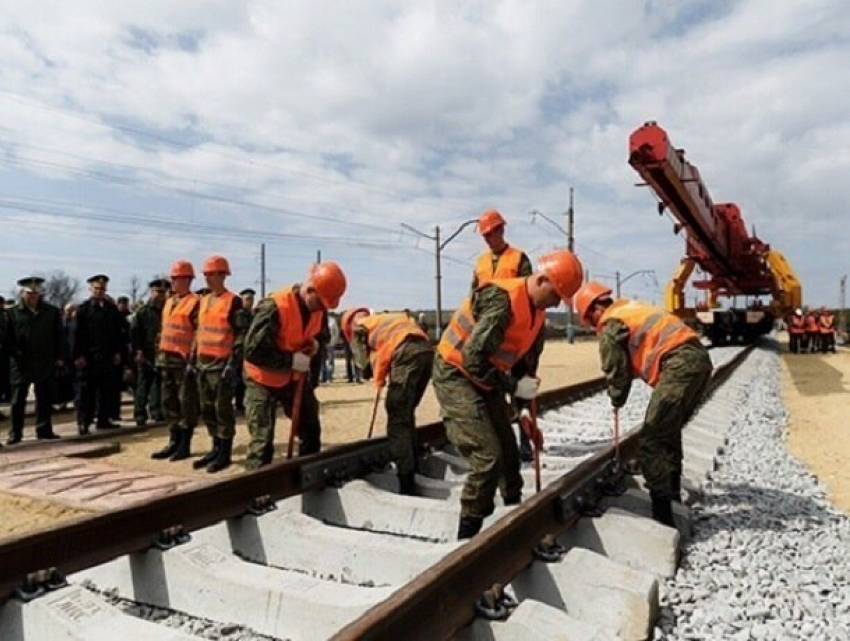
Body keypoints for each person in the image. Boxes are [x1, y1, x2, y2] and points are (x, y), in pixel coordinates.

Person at [432, 250, 584, 539]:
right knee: (487, 457)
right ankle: (467, 536)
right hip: (455, 372)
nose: (555, 304)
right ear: (541, 280)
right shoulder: (501, 301)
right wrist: (513, 388)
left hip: (486, 378)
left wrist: (524, 410)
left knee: (510, 456)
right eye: (555, 296)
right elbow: (474, 358)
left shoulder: (537, 315)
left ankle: (513, 517)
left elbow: (523, 367)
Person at [574, 281, 713, 527]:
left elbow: (615, 367)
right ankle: (672, 497)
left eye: (590, 320)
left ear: (595, 309)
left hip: (679, 364)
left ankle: (663, 517)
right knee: (667, 434)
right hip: (698, 360)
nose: (594, 326)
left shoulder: (611, 321)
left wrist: (616, 397)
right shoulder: (629, 308)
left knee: (652, 441)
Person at [243, 261, 347, 469]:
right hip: (262, 378)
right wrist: (291, 361)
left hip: (293, 378)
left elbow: (321, 336)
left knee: (310, 429)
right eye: (320, 303)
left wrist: (316, 346)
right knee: (262, 443)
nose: (322, 309)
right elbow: (253, 351)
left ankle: (307, 478)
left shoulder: (320, 306)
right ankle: (254, 493)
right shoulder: (273, 307)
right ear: (309, 290)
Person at [343, 308, 433, 495]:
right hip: (426, 351)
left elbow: (363, 365)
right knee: (406, 413)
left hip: (406, 351)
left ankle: (406, 481)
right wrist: (380, 377)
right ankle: (413, 463)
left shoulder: (361, 327)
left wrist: (367, 370)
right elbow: (385, 354)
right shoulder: (387, 320)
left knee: (398, 417)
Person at [471, 208, 537, 463]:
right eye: (485, 235)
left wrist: (532, 344)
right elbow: (474, 298)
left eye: (491, 232)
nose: (488, 238)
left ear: (501, 230)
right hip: (490, 338)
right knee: (493, 387)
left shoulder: (519, 259)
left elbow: (532, 297)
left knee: (521, 390)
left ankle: (525, 442)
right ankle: (502, 441)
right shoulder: (480, 264)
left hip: (517, 338)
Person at [193, 255, 249, 473]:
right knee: (207, 409)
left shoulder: (232, 301)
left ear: (223, 275)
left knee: (222, 409)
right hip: (204, 364)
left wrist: (232, 363)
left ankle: (224, 452)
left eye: (211, 274)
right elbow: (200, 331)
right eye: (206, 275)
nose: (207, 279)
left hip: (222, 365)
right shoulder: (204, 300)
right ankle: (215, 448)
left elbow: (240, 334)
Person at [151, 260, 201, 461]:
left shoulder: (195, 302)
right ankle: (173, 441)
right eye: (172, 278)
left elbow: (199, 332)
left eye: (177, 278)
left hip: (183, 361)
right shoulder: (170, 302)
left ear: (187, 280)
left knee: (186, 403)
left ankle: (184, 444)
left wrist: (193, 358)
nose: (173, 282)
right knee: (168, 402)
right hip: (165, 359)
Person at [5, 277, 65, 444]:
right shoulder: (12, 313)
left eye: (36, 294)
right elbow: (7, 338)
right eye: (29, 293)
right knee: (18, 400)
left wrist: (60, 356)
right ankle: (15, 433)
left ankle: (44, 430)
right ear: (22, 293)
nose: (33, 297)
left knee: (44, 398)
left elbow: (59, 336)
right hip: (21, 362)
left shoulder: (50, 312)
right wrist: (15, 353)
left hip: (44, 361)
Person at [74, 275, 126, 434]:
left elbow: (118, 333)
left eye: (102, 289)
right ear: (90, 289)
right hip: (89, 357)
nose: (100, 291)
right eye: (96, 288)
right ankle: (84, 421)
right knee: (86, 392)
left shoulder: (111, 310)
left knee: (106, 390)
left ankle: (103, 419)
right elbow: (76, 335)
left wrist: (118, 352)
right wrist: (78, 355)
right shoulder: (83, 310)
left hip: (107, 356)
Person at [132, 279, 168, 426]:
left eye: (163, 292)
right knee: (143, 384)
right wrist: (138, 351)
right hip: (146, 351)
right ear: (151, 292)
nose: (160, 295)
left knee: (158, 383)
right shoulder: (142, 312)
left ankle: (156, 410)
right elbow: (135, 333)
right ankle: (140, 413)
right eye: (158, 292)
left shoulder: (167, 310)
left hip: (161, 352)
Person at [233, 288, 257, 414]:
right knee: (238, 379)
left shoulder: (253, 314)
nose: (250, 302)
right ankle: (238, 404)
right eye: (248, 299)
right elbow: (244, 330)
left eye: (252, 299)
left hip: (249, 349)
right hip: (240, 349)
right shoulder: (240, 314)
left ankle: (243, 403)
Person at [323, 314, 340, 383]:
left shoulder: (333, 321)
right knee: (323, 361)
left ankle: (330, 377)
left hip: (331, 344)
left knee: (330, 361)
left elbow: (336, 332)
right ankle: (323, 377)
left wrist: (334, 342)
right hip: (323, 344)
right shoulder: (321, 320)